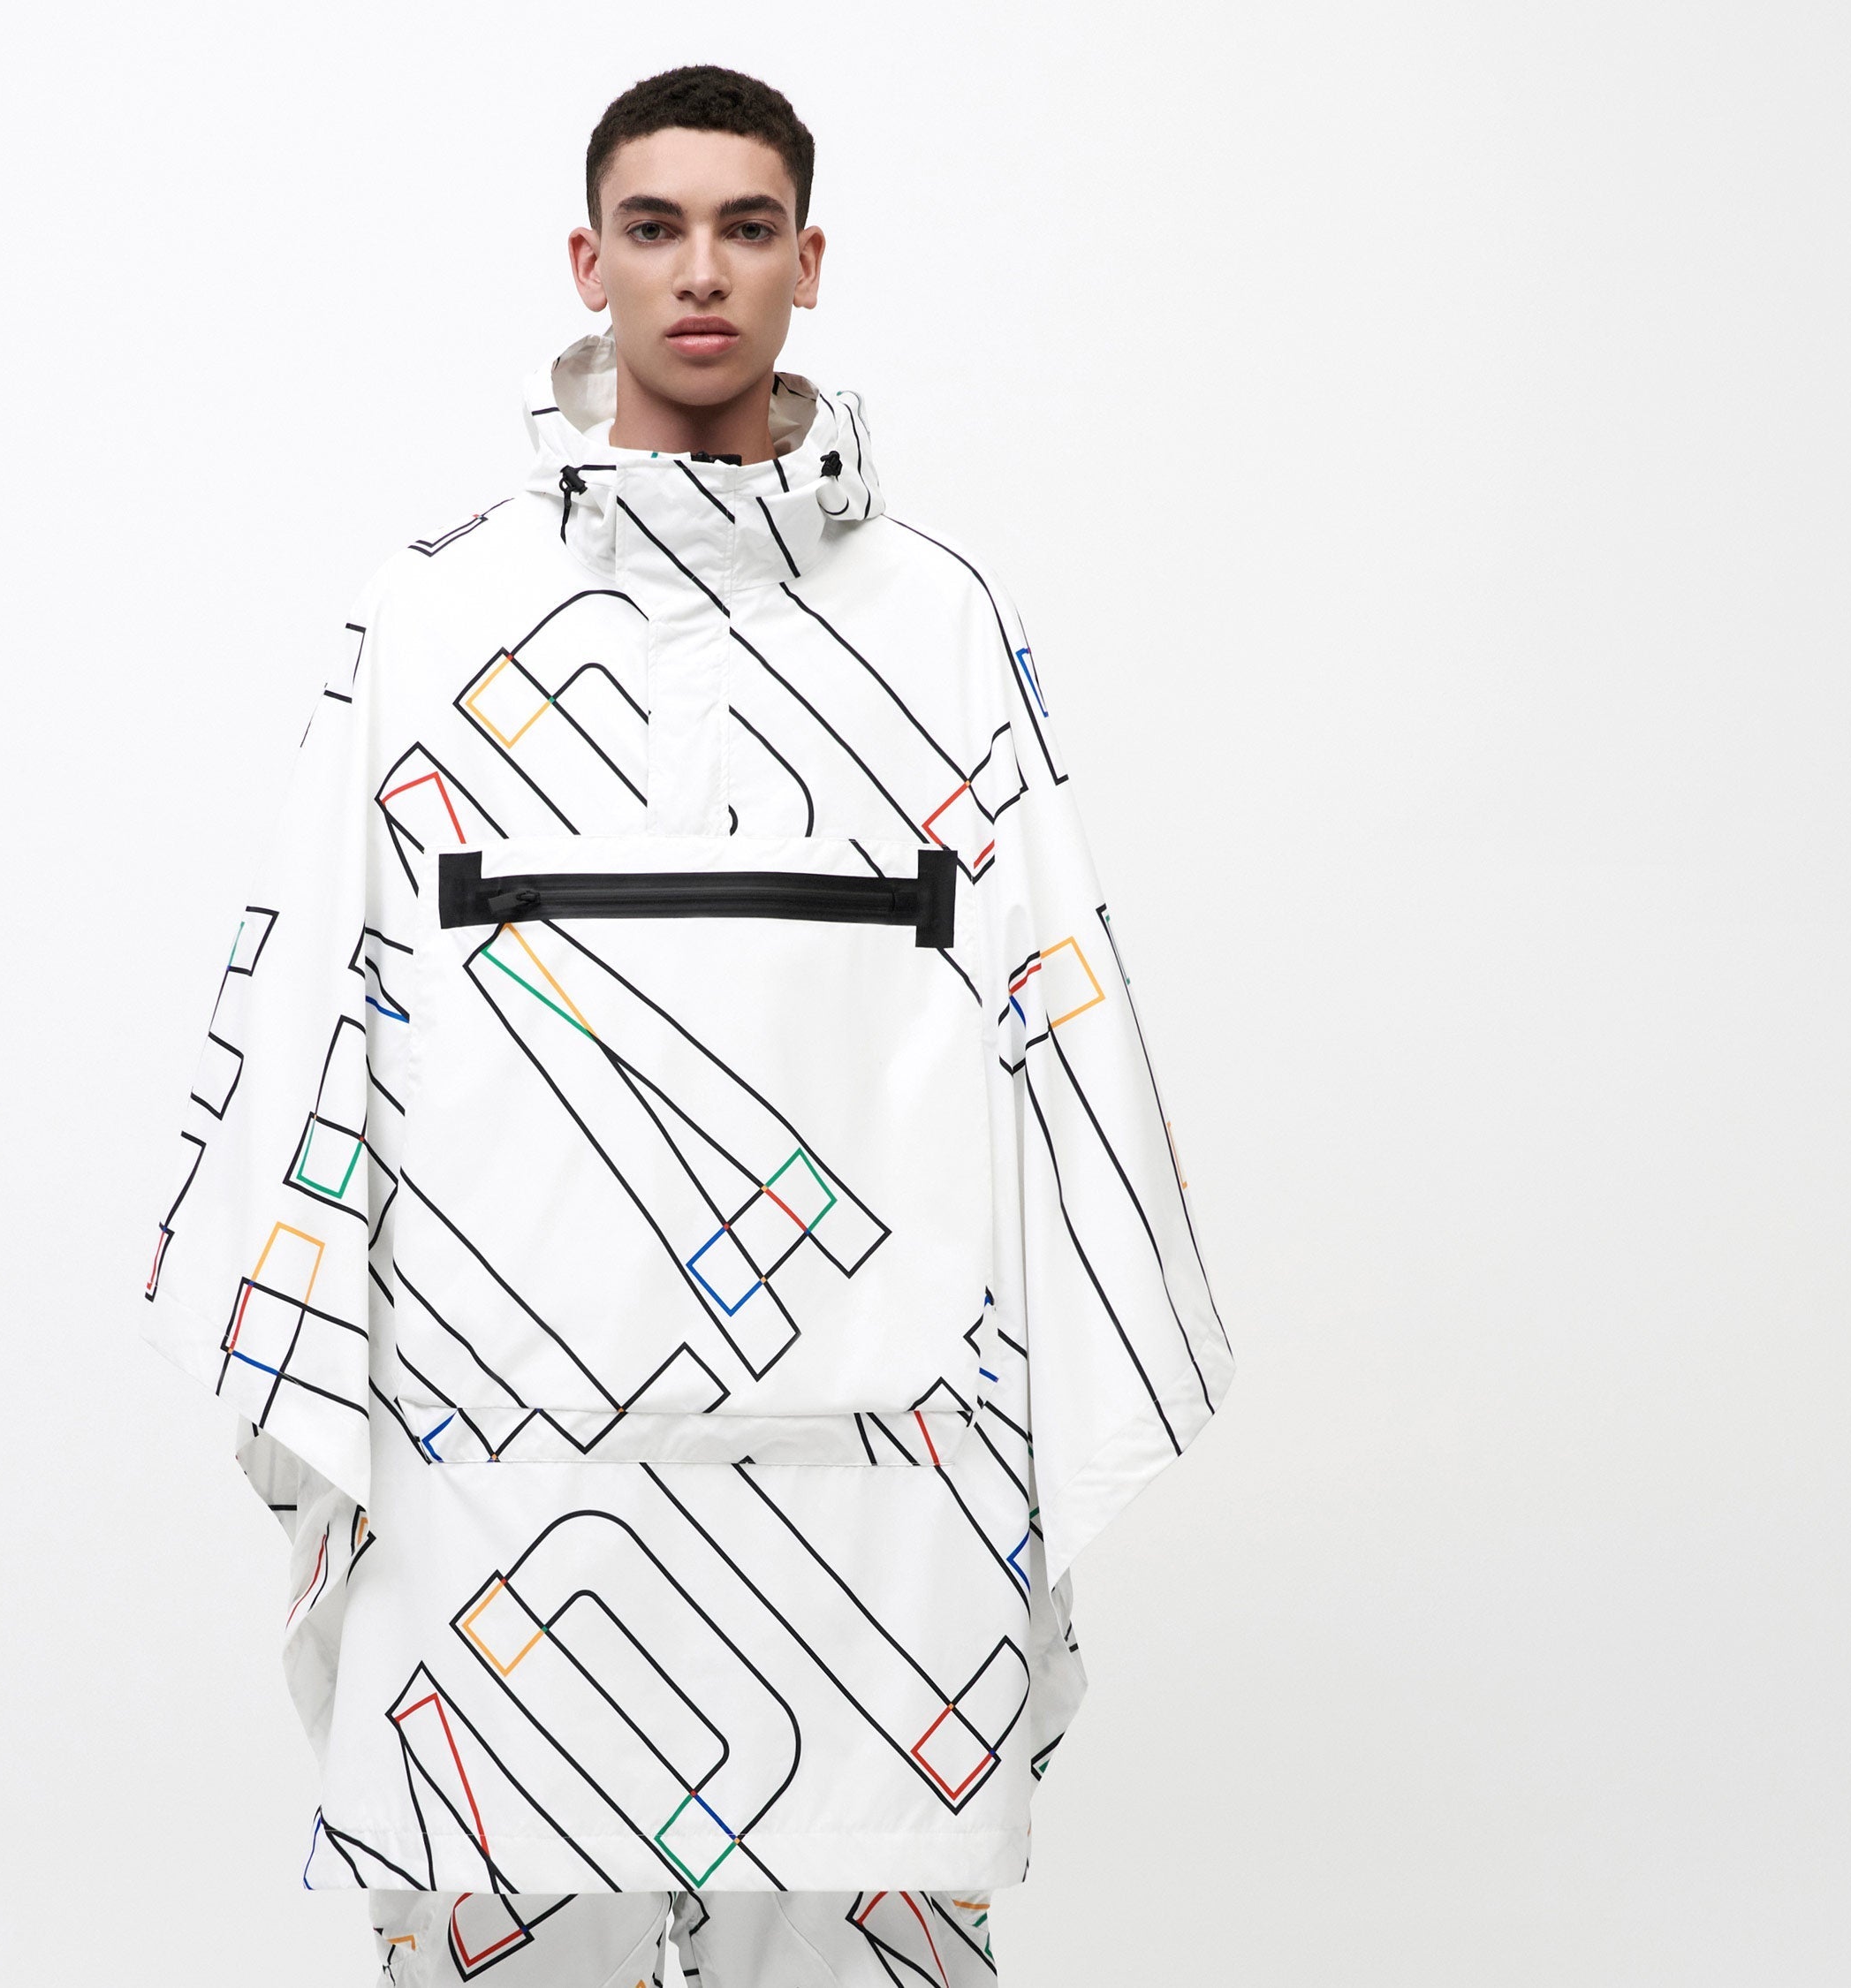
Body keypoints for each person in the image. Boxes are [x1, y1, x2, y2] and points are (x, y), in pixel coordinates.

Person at [135, 64, 1236, 1986]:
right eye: (655, 228)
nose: (701, 272)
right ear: (588, 261)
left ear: (811, 260)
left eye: (746, 228)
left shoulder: (939, 625)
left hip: (878, 1484)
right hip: (496, 1466)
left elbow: (1056, 1049)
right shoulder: (431, 622)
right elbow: (314, 1025)